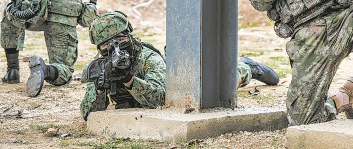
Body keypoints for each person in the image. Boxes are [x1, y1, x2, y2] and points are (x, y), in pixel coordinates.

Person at [80, 11, 279, 120]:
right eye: (107, 45)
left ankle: (248, 67)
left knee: (212, 85)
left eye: (121, 40)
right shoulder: (101, 66)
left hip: (177, 83)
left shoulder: (149, 58)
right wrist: (98, 89)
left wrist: (129, 80)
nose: (115, 49)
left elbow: (161, 99)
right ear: (100, 48)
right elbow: (88, 114)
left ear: (130, 36)